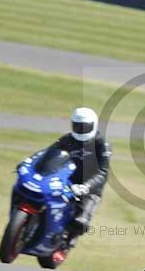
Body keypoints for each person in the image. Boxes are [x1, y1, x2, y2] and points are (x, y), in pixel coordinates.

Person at [43, 108, 111, 259]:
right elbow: (48, 154)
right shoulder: (67, 139)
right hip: (65, 181)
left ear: (93, 125)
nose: (81, 130)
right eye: (77, 126)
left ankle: (67, 243)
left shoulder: (101, 144)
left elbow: (103, 172)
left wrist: (87, 186)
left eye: (85, 127)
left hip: (89, 189)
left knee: (81, 221)